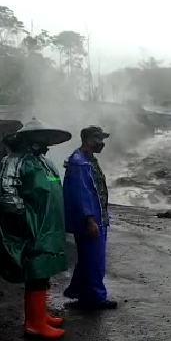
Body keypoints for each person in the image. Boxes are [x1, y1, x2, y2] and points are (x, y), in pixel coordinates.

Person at [0, 117, 72, 339]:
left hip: (49, 226)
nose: (45, 143)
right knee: (35, 272)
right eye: (42, 138)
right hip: (32, 227)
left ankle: (40, 315)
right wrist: (23, 221)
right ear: (29, 139)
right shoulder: (13, 161)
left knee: (43, 269)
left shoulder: (42, 161)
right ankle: (34, 323)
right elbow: (3, 190)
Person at [62, 126, 118, 310]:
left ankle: (80, 292)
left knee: (88, 258)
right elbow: (81, 194)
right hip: (90, 219)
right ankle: (96, 298)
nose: (102, 144)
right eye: (99, 140)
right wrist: (90, 220)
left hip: (97, 216)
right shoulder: (80, 163)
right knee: (94, 260)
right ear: (88, 140)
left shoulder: (88, 159)